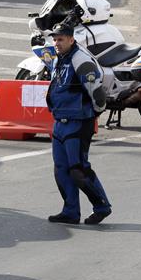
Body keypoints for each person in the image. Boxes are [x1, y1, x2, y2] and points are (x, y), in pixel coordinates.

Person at [45, 22, 112, 225]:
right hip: (60, 122)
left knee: (78, 170)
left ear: (71, 39)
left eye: (61, 39)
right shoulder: (59, 59)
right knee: (61, 169)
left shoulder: (79, 59)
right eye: (55, 39)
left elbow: (96, 91)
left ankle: (102, 207)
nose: (57, 43)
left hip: (78, 122)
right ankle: (71, 211)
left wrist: (95, 113)